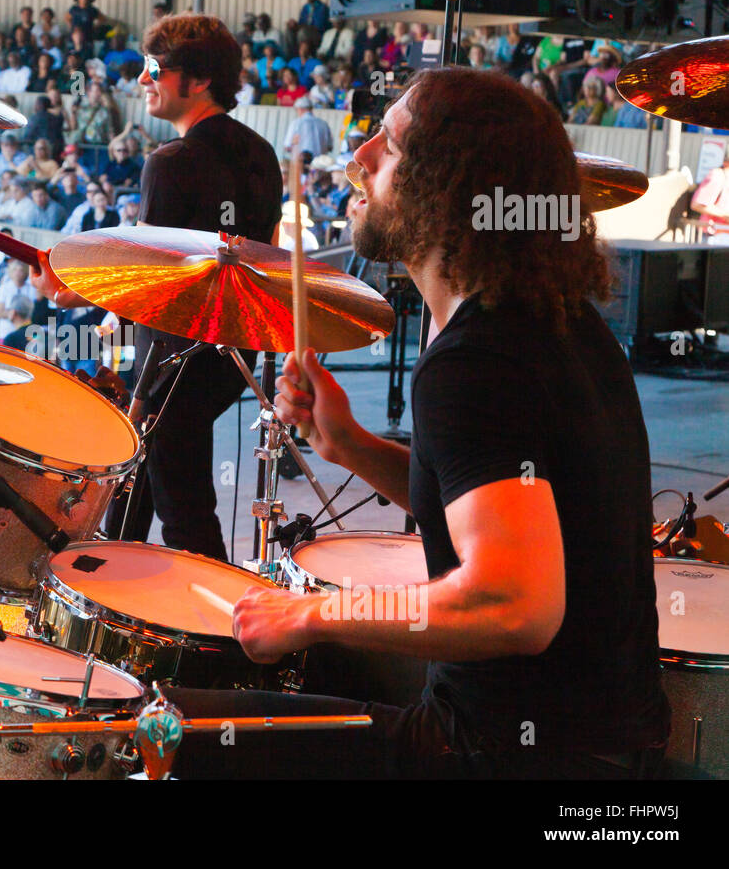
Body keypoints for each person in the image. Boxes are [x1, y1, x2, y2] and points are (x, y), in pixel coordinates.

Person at [165, 66, 670, 780]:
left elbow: (518, 605)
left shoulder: (474, 362)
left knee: (163, 732)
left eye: (391, 145)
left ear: (448, 188)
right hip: (601, 743)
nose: (361, 156)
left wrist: (305, 616)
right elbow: (503, 503)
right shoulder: (556, 321)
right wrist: (350, 446)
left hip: (497, 755)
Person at [32, 12, 282, 562]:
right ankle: (117, 617)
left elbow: (149, 280)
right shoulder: (263, 155)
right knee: (131, 501)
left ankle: (218, 637)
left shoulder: (170, 163)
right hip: (228, 357)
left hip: (171, 362)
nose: (143, 81)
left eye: (154, 69)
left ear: (197, 79)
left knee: (186, 517)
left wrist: (66, 291)